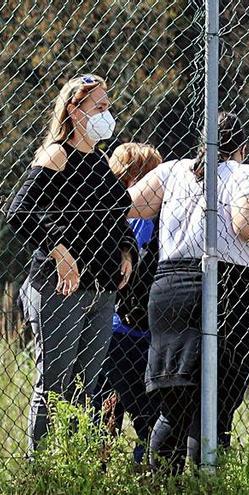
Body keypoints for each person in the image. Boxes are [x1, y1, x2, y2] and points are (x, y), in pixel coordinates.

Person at [127, 111, 249, 472]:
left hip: (171, 291)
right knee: (214, 410)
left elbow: (125, 203)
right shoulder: (245, 173)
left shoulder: (173, 171)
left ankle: (157, 483)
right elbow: (247, 226)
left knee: (175, 410)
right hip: (230, 293)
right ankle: (209, 483)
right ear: (242, 147)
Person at [6, 74, 137, 453]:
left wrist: (127, 251)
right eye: (99, 107)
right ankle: (40, 469)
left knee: (87, 385)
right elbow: (20, 209)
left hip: (101, 288)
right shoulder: (56, 155)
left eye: (108, 106)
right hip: (61, 287)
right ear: (74, 111)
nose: (106, 113)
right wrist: (60, 251)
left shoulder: (99, 161)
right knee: (56, 383)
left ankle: (72, 465)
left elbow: (118, 216)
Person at [92, 143, 163, 464]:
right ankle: (147, 471)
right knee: (149, 418)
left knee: (102, 418)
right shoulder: (151, 219)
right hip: (143, 334)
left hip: (111, 330)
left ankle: (98, 468)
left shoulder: (109, 218)